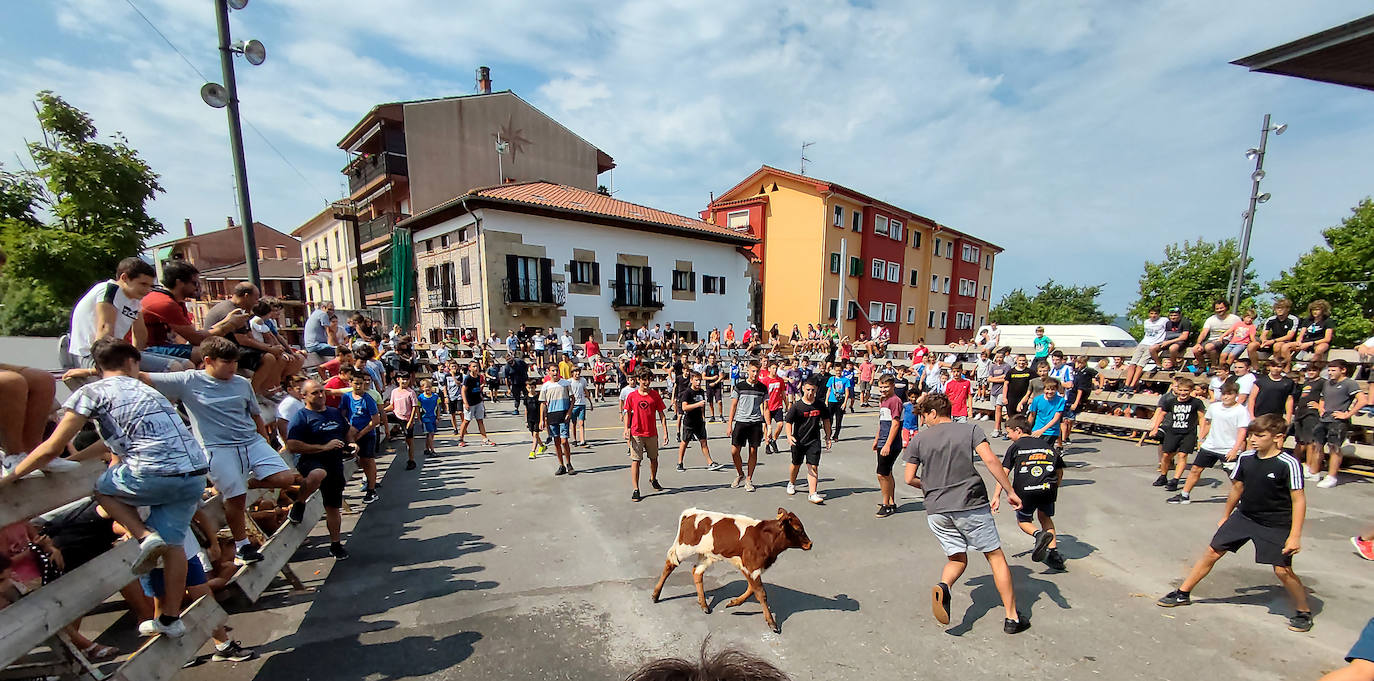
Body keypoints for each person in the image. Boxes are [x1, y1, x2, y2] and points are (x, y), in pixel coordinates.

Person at [5, 339, 208, 637]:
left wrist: (12, 476)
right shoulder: (150, 391)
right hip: (193, 474)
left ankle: (144, 536)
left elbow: (50, 449)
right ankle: (170, 619)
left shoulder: (92, 392)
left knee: (101, 488)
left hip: (152, 472)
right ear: (131, 362)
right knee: (175, 545)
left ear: (98, 368)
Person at [130, 336, 298, 565]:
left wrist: (264, 439)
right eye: (226, 362)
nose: (233, 367)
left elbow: (255, 414)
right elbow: (143, 377)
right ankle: (242, 546)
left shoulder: (241, 383)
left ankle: (247, 482)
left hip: (250, 441)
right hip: (217, 448)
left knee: (286, 477)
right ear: (208, 360)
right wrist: (89, 372)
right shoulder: (187, 380)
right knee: (235, 498)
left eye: (235, 362)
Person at [1156, 413, 1311, 632]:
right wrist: (1226, 516)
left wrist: (1295, 535)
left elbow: (1298, 499)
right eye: (1252, 435)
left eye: (1260, 435)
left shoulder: (1288, 463)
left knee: (1282, 571)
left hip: (1275, 523)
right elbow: (1237, 488)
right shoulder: (1246, 458)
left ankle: (1303, 611)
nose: (1254, 439)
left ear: (1277, 437)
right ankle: (1183, 593)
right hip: (1244, 516)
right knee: (1211, 552)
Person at [902, 393, 1027, 634]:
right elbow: (990, 460)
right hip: (970, 504)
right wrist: (1009, 491)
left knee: (957, 558)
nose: (924, 421)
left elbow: (909, 478)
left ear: (933, 413)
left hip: (937, 509)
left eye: (924, 416)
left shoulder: (919, 439)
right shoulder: (970, 430)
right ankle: (1012, 617)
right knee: (995, 556)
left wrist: (931, 486)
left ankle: (944, 585)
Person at [68, 257, 190, 372]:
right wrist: (103, 366)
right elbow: (105, 328)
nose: (147, 290)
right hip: (91, 355)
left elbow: (140, 333)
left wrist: (136, 355)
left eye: (150, 286)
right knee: (173, 367)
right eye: (143, 284)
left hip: (116, 353)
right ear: (124, 278)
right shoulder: (111, 290)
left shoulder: (133, 300)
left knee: (187, 365)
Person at [992, 416, 1067, 570]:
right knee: (1045, 517)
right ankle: (1054, 554)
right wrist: (1055, 487)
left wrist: (996, 495)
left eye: (1009, 433)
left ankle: (1038, 535)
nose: (1008, 436)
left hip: (1025, 490)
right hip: (1048, 487)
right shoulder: (1046, 445)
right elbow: (1059, 470)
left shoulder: (1015, 446)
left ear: (1018, 431)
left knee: (1024, 521)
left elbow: (1003, 472)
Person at [140, 260, 241, 365]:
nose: (197, 287)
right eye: (194, 283)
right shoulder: (165, 303)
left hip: (164, 347)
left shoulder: (176, 301)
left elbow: (195, 334)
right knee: (213, 353)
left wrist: (226, 321)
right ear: (179, 283)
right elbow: (197, 339)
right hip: (149, 350)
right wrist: (230, 325)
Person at [1168, 381, 1251, 504]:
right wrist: (1201, 439)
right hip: (1210, 446)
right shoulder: (1215, 407)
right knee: (1195, 469)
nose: (1226, 397)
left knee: (1235, 478)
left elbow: (1242, 431)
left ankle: (1244, 500)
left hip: (1228, 449)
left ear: (1236, 395)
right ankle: (1184, 495)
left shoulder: (1241, 411)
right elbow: (1207, 423)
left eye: (1229, 394)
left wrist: (1235, 449)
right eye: (1223, 394)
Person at [203, 283, 291, 395]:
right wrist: (270, 349)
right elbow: (242, 340)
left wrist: (271, 348)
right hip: (220, 350)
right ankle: (253, 394)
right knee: (268, 358)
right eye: (255, 297)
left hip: (233, 347)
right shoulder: (232, 311)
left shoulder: (242, 310)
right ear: (246, 296)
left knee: (276, 356)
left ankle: (267, 390)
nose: (257, 301)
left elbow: (249, 336)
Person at [1312, 358, 1368, 489]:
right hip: (1324, 419)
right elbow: (1322, 398)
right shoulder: (1327, 383)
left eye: (1333, 370)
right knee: (1317, 445)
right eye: (1329, 370)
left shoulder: (1350, 383)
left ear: (1343, 370)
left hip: (1338, 422)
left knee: (1334, 448)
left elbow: (1362, 400)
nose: (1330, 372)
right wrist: (1321, 409)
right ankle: (1315, 472)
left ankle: (1332, 476)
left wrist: (1347, 414)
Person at [1147, 377, 1206, 492]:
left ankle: (1175, 480)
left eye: (1186, 391)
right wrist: (1155, 428)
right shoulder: (1171, 402)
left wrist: (1202, 434)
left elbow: (1201, 417)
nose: (1183, 393)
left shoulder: (1196, 403)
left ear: (1190, 391)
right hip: (1172, 431)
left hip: (1188, 433)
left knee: (1182, 456)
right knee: (1166, 455)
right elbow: (1161, 414)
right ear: (1177, 390)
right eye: (1181, 390)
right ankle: (1163, 476)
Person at [623, 368, 668, 501]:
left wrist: (665, 432)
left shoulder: (655, 395)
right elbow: (627, 412)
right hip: (637, 432)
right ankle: (636, 489)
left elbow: (661, 414)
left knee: (653, 459)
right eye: (644, 379)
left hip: (651, 432)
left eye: (649, 379)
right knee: (636, 460)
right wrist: (626, 428)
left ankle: (653, 478)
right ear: (638, 380)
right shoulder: (632, 396)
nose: (647, 382)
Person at [785, 381, 832, 504]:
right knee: (796, 464)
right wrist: (789, 436)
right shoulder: (797, 406)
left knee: (813, 466)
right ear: (803, 390)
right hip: (799, 441)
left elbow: (826, 420)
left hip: (814, 440)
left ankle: (812, 493)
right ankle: (791, 483)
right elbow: (789, 422)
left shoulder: (820, 405)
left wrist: (828, 437)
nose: (810, 393)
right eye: (808, 390)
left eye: (813, 390)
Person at [727, 360, 769, 492]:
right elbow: (733, 405)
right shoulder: (740, 386)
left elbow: (766, 408)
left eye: (757, 371)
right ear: (748, 371)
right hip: (741, 421)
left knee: (753, 451)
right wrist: (729, 424)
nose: (755, 374)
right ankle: (740, 474)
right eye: (753, 371)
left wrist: (768, 426)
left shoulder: (762, 388)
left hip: (755, 423)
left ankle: (749, 479)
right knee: (734, 451)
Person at [340, 372, 382, 504]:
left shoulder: (368, 399)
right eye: (356, 383)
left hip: (367, 434)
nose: (359, 386)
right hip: (352, 433)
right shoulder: (347, 397)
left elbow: (375, 420)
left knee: (368, 460)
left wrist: (360, 434)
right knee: (359, 461)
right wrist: (348, 428)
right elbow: (342, 414)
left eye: (361, 383)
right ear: (350, 383)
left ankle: (371, 489)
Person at [675, 372, 722, 472]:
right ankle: (680, 463)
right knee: (685, 442)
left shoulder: (701, 391)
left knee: (704, 442)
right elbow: (684, 407)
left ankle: (710, 462)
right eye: (696, 380)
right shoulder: (687, 393)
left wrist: (703, 417)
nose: (698, 382)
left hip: (699, 422)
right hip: (689, 422)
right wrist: (697, 404)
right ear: (691, 380)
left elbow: (703, 406)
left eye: (699, 380)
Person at [873, 376, 903, 518]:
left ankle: (886, 505)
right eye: (881, 387)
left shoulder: (895, 401)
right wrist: (877, 439)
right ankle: (890, 501)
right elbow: (882, 422)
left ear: (892, 386)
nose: (883, 390)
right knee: (887, 472)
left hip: (890, 443)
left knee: (882, 474)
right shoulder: (883, 400)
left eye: (886, 387)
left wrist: (887, 444)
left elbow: (895, 424)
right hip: (882, 440)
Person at [1293, 363, 1327, 480]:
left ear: (1319, 371)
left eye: (1314, 370)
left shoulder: (1323, 382)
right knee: (1300, 441)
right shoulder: (1306, 382)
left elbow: (1326, 396)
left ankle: (1309, 466)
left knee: (1310, 442)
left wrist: (1319, 406)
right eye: (1309, 370)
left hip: (1312, 415)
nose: (1311, 372)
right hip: (1300, 413)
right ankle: (1295, 466)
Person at [540, 369, 574, 475]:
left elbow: (573, 399)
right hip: (552, 415)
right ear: (549, 372)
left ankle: (569, 464)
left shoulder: (565, 384)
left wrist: (569, 412)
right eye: (553, 371)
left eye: (556, 371)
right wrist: (542, 419)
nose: (555, 373)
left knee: (564, 441)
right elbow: (543, 403)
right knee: (557, 442)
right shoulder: (545, 386)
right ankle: (561, 465)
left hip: (563, 415)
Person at [1126, 306, 1167, 393]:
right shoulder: (1146, 322)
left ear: (1159, 314)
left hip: (1153, 344)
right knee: (1132, 364)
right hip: (1143, 343)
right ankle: (1126, 385)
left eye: (1155, 313)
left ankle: (1132, 385)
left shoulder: (1164, 320)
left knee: (1140, 365)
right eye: (1151, 313)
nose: (1153, 315)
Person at [1282, 299, 1335, 363]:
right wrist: (1299, 341)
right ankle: (1286, 368)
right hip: (1306, 341)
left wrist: (1310, 343)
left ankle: (1312, 368)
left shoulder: (1328, 321)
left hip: (1319, 342)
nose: (1315, 312)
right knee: (1285, 347)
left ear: (1323, 310)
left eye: (1317, 310)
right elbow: (1301, 335)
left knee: (1319, 349)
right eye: (1313, 310)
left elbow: (1327, 339)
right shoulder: (1308, 320)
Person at [457, 361, 497, 447]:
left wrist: (480, 394)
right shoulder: (468, 378)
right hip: (469, 403)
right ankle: (461, 439)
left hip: (478, 402)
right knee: (466, 421)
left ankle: (485, 438)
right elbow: (463, 391)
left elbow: (477, 389)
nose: (476, 368)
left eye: (477, 367)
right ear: (470, 368)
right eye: (474, 367)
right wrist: (465, 403)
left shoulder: (479, 377)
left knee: (480, 420)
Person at [388, 373, 420, 470]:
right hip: (396, 415)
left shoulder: (411, 392)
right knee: (381, 418)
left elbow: (414, 407)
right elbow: (392, 405)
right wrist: (381, 410)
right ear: (398, 379)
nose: (405, 381)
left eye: (407, 379)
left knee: (409, 440)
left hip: (406, 418)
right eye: (403, 379)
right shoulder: (394, 392)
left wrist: (411, 421)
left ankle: (411, 460)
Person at [1026, 377, 1066, 452]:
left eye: (1053, 389)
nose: (1050, 392)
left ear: (1056, 390)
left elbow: (1056, 418)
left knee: (1044, 451)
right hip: (1037, 429)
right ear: (1044, 389)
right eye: (1047, 389)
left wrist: (1042, 430)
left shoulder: (1061, 401)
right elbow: (1032, 415)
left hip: (1051, 431)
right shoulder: (1037, 400)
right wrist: (1027, 429)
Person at [1253, 298, 1299, 364]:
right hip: (1271, 341)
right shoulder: (1271, 319)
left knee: (1277, 346)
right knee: (1252, 345)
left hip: (1286, 342)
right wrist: (1264, 341)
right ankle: (1255, 368)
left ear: (1287, 309)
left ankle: (1278, 366)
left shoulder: (1293, 319)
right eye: (1277, 308)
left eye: (1282, 308)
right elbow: (1264, 334)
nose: (1279, 310)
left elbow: (1289, 336)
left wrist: (1273, 341)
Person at [760, 362, 788, 454]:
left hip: (778, 405)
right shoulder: (765, 380)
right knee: (766, 426)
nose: (775, 370)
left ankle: (774, 440)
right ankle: (767, 444)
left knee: (780, 424)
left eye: (776, 368)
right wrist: (761, 408)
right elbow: (761, 395)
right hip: (767, 406)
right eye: (773, 368)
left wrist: (787, 404)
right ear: (769, 369)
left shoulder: (780, 380)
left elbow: (783, 393)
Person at [568, 366, 593, 447]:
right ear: (572, 373)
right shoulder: (569, 382)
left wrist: (590, 402)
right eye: (575, 372)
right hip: (573, 405)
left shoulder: (583, 380)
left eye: (578, 372)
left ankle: (582, 440)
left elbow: (585, 390)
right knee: (574, 423)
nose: (577, 374)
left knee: (581, 423)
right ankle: (574, 439)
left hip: (582, 404)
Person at [416, 378, 440, 457]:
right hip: (425, 418)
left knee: (430, 435)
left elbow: (438, 407)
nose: (428, 388)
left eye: (430, 386)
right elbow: (418, 409)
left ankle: (426, 448)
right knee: (430, 433)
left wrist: (438, 416)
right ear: (422, 388)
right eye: (426, 387)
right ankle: (432, 450)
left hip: (433, 417)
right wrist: (419, 418)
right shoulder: (420, 397)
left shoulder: (435, 396)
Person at [523, 378, 546, 460]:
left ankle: (532, 451)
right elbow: (526, 409)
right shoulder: (526, 398)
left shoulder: (538, 397)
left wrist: (543, 419)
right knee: (534, 435)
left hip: (537, 418)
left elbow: (542, 408)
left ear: (535, 387)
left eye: (532, 387)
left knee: (536, 435)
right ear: (526, 388)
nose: (531, 389)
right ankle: (542, 446)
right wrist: (526, 420)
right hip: (530, 419)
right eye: (529, 388)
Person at [704, 356, 725, 422]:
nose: (712, 360)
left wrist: (715, 382)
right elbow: (703, 377)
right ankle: (712, 416)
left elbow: (721, 376)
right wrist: (712, 378)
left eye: (713, 358)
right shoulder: (706, 367)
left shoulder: (718, 367)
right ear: (708, 359)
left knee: (719, 401)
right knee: (710, 402)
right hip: (709, 386)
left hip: (717, 386)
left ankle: (721, 415)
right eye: (711, 358)